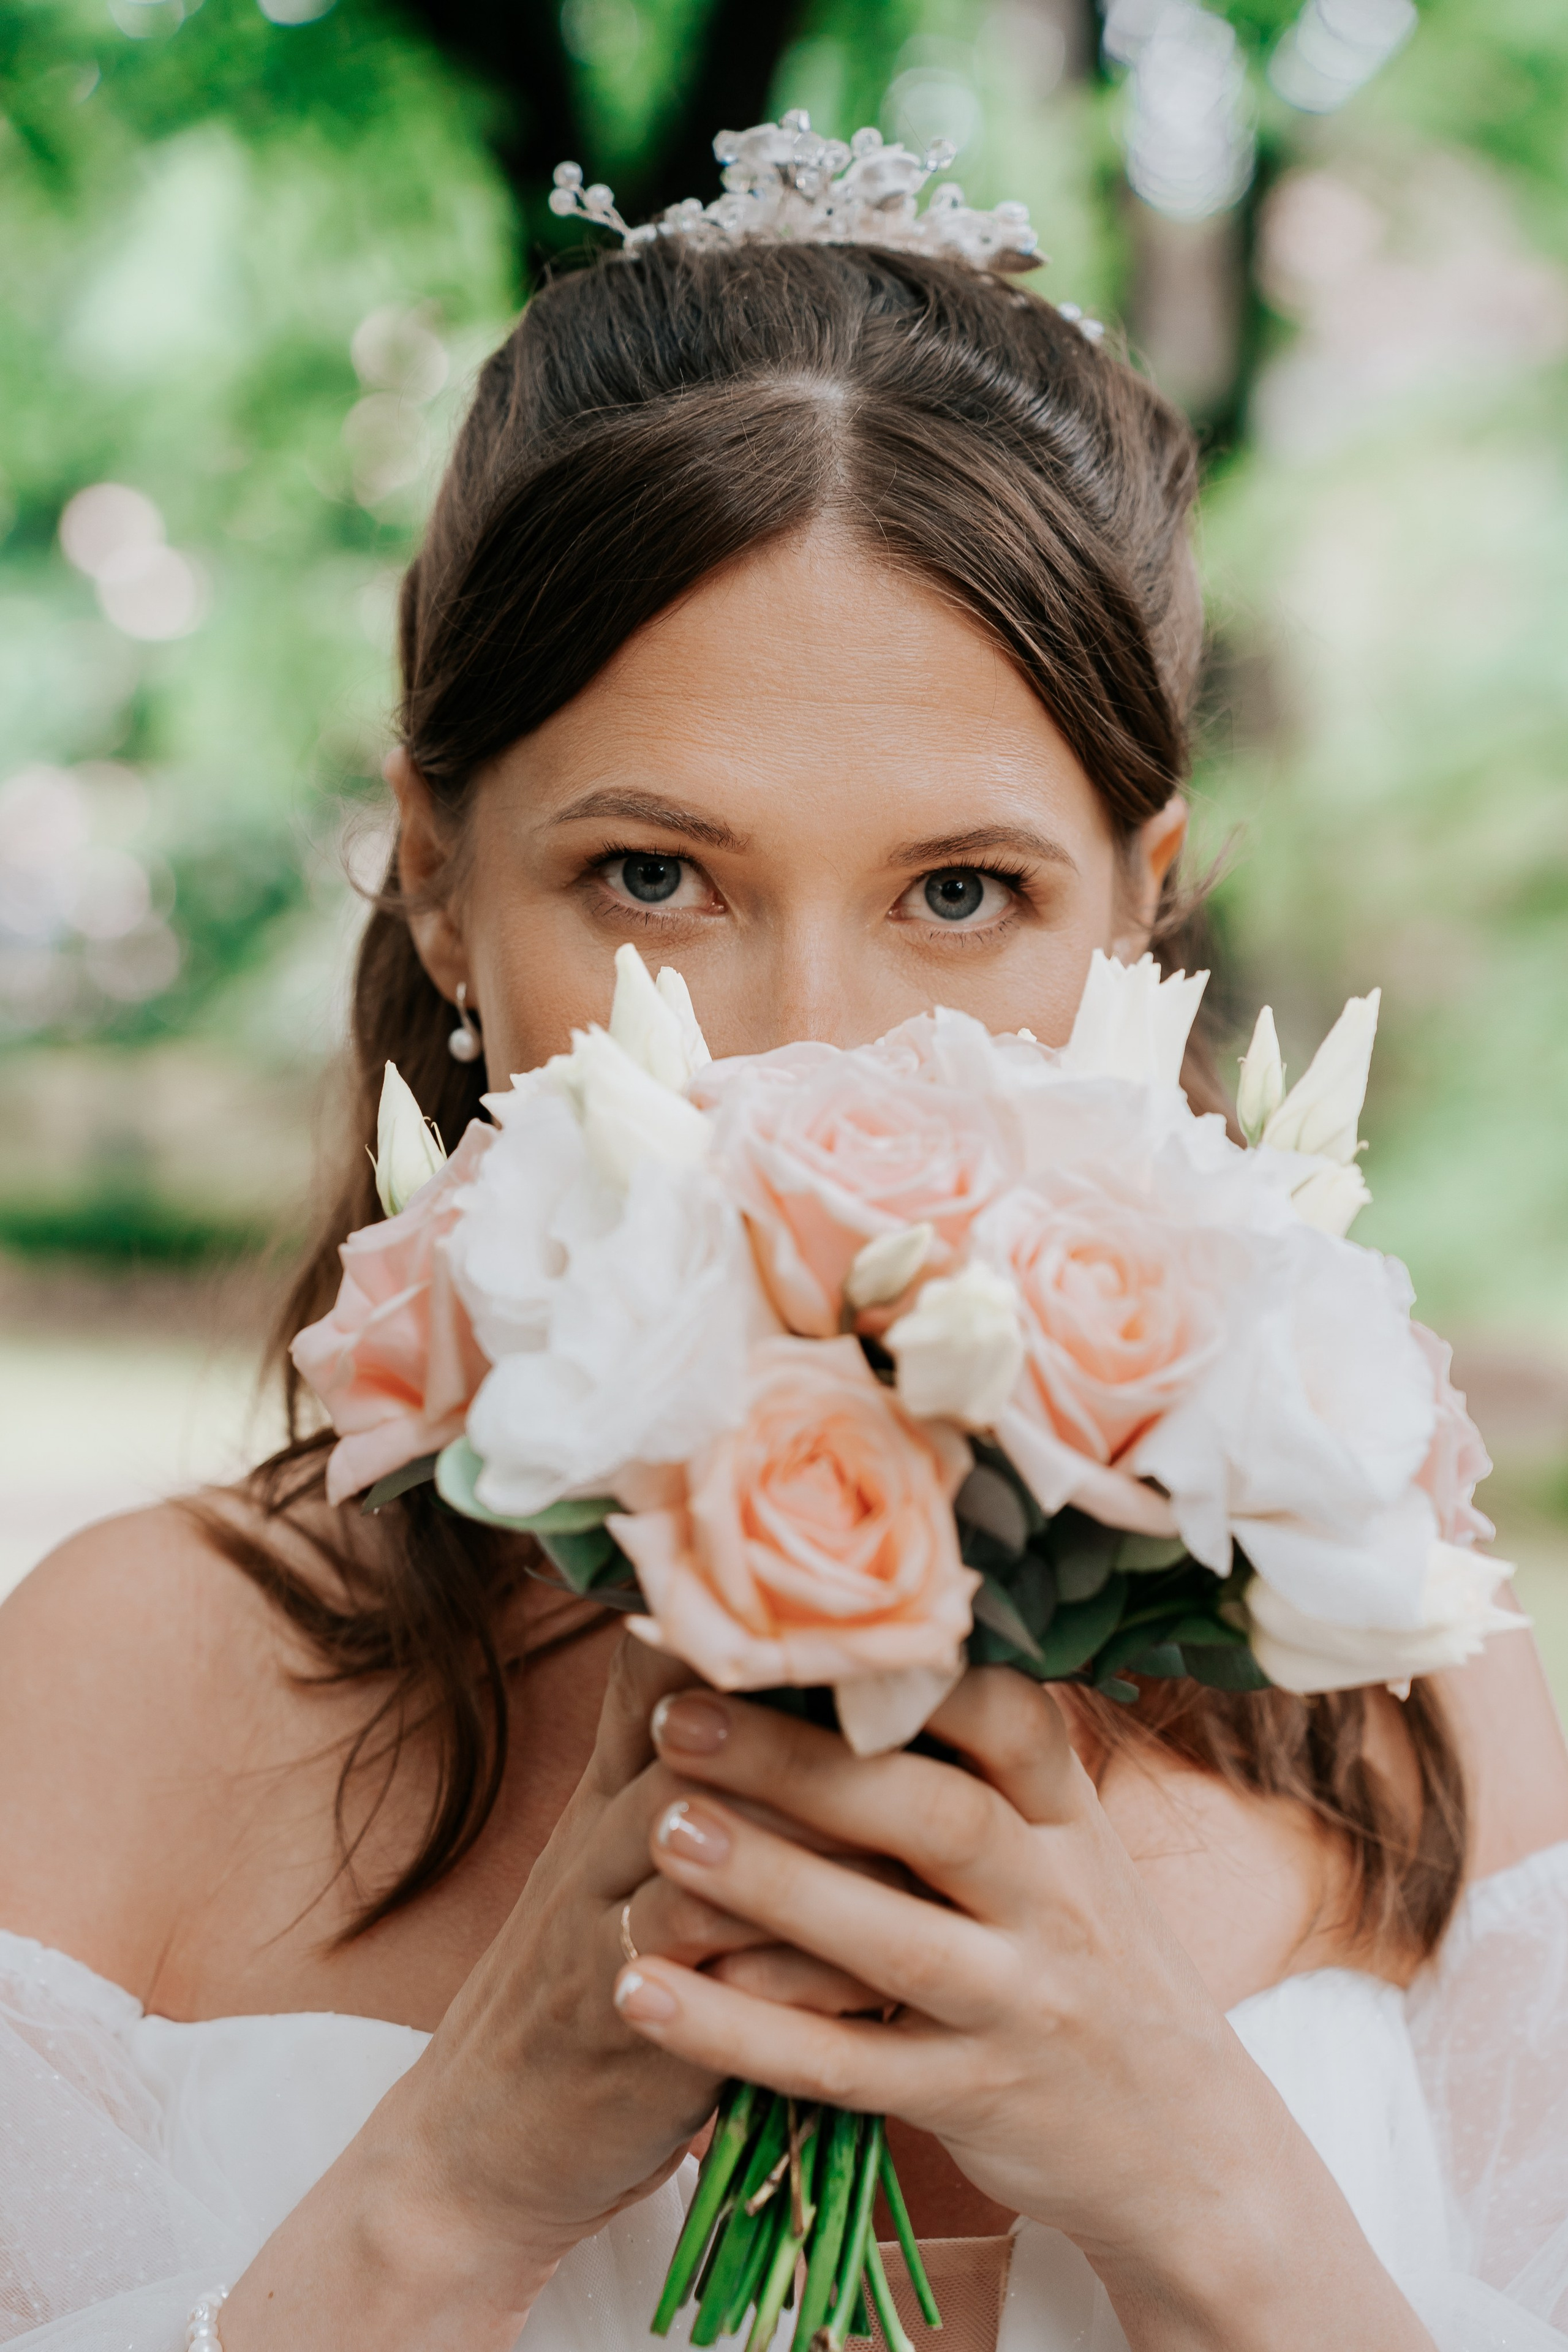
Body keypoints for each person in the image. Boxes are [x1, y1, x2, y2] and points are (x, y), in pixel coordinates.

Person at [2, 127, 1566, 2352]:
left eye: (961, 897)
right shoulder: (121, 1690)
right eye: (654, 879)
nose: (806, 1067)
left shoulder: (1404, 1689)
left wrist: (1200, 2190)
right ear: (441, 883)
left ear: (1144, 910)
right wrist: (455, 2186)